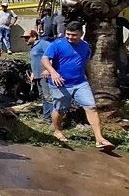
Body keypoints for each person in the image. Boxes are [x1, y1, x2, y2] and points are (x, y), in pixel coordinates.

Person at [41, 21, 115, 150]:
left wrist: (89, 78)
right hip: (60, 83)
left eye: (74, 35)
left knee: (91, 107)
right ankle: (57, 131)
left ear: (81, 33)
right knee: (60, 109)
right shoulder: (57, 44)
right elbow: (45, 59)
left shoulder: (85, 46)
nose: (70, 37)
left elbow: (84, 63)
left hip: (81, 83)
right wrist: (52, 72)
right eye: (68, 34)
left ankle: (99, 139)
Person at [22, 29, 52, 123]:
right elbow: (36, 61)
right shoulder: (33, 47)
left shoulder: (43, 44)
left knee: (49, 97)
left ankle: (53, 119)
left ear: (34, 37)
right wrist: (33, 73)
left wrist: (48, 69)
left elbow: (53, 55)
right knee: (43, 96)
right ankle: (46, 118)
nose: (25, 40)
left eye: (27, 38)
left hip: (45, 76)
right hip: (38, 76)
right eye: (24, 38)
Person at [116, 17, 129, 88]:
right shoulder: (101, 18)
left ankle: (123, 83)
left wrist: (127, 41)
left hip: (119, 46)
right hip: (105, 48)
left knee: (122, 65)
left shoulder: (120, 20)